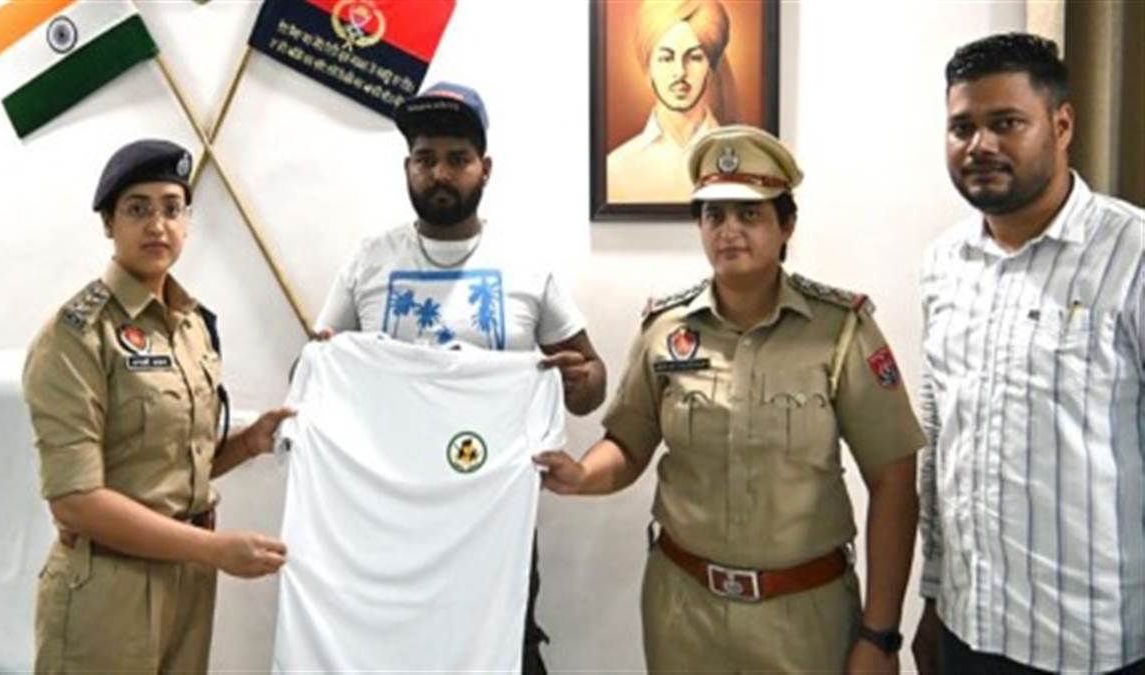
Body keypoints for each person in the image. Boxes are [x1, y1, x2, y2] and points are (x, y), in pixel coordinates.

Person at [535, 125, 925, 673]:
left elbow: (893, 480)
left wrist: (880, 634)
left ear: (786, 225)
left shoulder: (841, 331)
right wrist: (581, 475)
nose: (729, 230)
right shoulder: (665, 329)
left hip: (805, 617)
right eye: (714, 215)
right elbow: (629, 443)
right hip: (683, 610)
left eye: (750, 214)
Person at [313, 82, 607, 673]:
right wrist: (323, 364)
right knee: (391, 654)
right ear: (407, 168)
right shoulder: (369, 262)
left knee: (506, 651)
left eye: (457, 159)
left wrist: (583, 381)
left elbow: (592, 379)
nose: (440, 174)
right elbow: (314, 371)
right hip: (386, 517)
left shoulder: (526, 267)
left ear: (485, 168)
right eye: (425, 159)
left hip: (494, 520)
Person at [913, 33, 1145, 674]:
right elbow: (939, 446)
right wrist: (931, 597)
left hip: (1096, 647)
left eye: (1006, 123)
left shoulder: (1132, 255)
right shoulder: (943, 265)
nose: (980, 145)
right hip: (968, 629)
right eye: (962, 127)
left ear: (1061, 125)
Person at [22, 139, 295, 674]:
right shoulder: (77, 335)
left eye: (172, 208)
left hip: (187, 581)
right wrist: (215, 550)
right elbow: (74, 501)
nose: (157, 225)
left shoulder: (192, 325)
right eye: (137, 209)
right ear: (108, 223)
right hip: (109, 588)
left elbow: (165, 463)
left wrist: (247, 443)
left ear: (187, 223)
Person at [606, 0, 737, 204]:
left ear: (711, 68)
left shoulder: (741, 157)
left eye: (694, 57)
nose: (680, 72)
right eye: (666, 58)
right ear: (648, 69)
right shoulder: (616, 169)